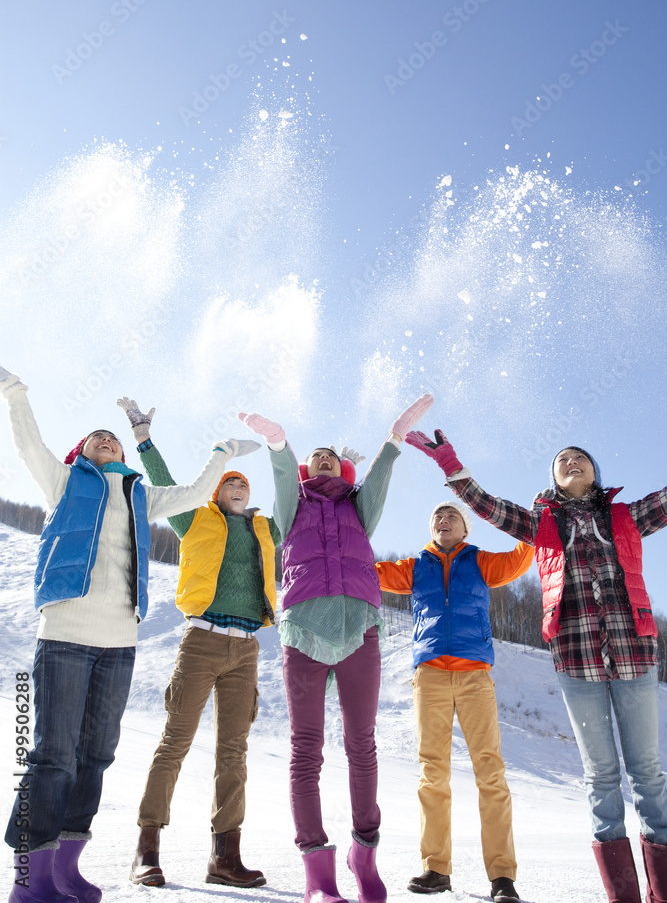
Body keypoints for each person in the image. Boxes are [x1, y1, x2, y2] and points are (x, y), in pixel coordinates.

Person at [0, 367, 250, 903]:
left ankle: (66, 868)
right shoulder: (64, 480)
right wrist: (14, 392)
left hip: (120, 643)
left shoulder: (141, 495)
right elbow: (27, 444)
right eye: (96, 437)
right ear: (83, 452)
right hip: (66, 633)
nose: (107, 438)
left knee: (96, 755)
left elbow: (196, 491)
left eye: (112, 437)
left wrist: (222, 450)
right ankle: (29, 878)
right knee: (52, 756)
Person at [407, 429, 667, 903]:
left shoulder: (624, 515)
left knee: (648, 771)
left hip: (634, 652)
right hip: (575, 657)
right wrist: (447, 459)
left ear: (594, 472)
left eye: (580, 458)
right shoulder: (542, 524)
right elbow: (484, 503)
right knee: (601, 775)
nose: (571, 462)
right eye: (562, 459)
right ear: (552, 477)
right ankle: (624, 896)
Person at [239, 394, 433, 903]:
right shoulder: (293, 505)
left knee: (361, 745)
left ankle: (363, 855)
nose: (322, 459)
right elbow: (283, 478)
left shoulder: (356, 507)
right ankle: (317, 876)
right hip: (303, 630)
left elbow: (380, 483)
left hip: (359, 631)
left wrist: (392, 441)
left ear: (343, 469)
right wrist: (278, 443)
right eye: (315, 456)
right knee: (307, 749)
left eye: (331, 456)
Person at [116, 398, 278, 889]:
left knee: (234, 752)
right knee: (175, 743)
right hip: (202, 640)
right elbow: (164, 483)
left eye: (242, 483)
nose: (235, 485)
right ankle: (147, 849)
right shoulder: (195, 519)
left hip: (246, 648)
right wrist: (144, 439)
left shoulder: (265, 530)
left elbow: (297, 504)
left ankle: (224, 857)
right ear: (214, 490)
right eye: (228, 481)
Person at [375, 501, 533, 901]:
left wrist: (532, 520)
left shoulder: (480, 562)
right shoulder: (416, 567)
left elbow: (520, 557)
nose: (444, 521)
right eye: (437, 518)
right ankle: (436, 868)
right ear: (432, 529)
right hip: (429, 676)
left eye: (452, 517)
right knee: (433, 773)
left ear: (466, 529)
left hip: (475, 675)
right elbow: (364, 570)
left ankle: (502, 877)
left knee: (490, 772)